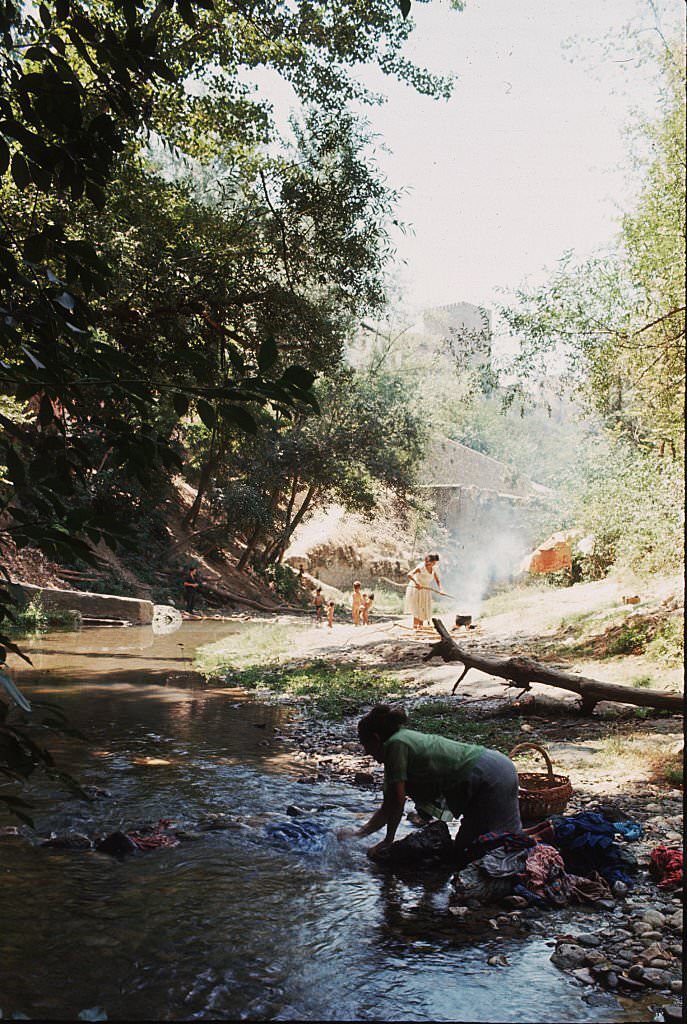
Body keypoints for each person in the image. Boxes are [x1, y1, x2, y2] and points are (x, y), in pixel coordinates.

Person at [345, 704, 521, 861]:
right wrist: (370, 837)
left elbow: (396, 802)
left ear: (375, 739)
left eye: (365, 746)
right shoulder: (402, 738)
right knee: (465, 850)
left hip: (489, 777)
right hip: (495, 769)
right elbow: (391, 804)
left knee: (493, 848)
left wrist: (380, 840)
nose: (368, 753)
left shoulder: (395, 745)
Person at [404, 553, 441, 629]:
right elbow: (409, 574)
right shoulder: (421, 567)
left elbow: (437, 580)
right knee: (417, 609)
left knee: (424, 609)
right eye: (432, 562)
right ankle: (415, 628)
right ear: (428, 561)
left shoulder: (433, 568)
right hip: (417, 589)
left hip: (425, 590)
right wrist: (417, 583)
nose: (433, 564)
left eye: (434, 563)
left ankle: (420, 629)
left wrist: (441, 590)